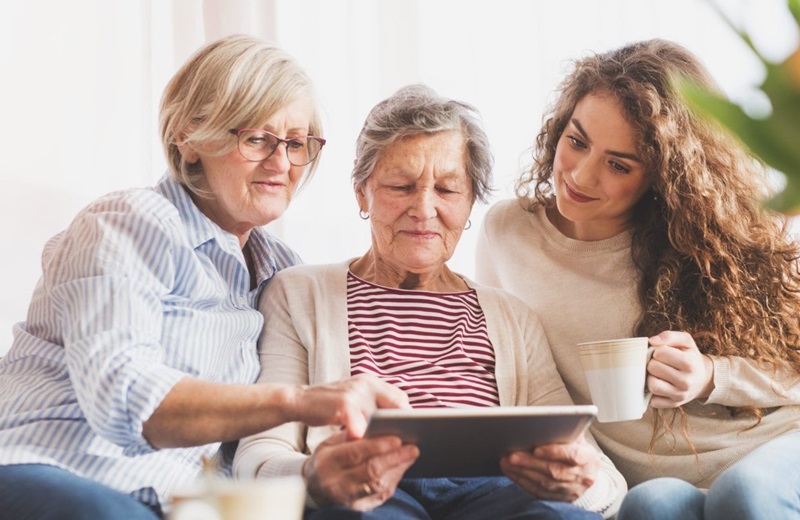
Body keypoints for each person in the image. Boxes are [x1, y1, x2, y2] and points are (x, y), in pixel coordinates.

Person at [0, 34, 408, 520]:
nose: (281, 163)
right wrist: (300, 401)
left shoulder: (282, 271)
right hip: (60, 469)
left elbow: (256, 448)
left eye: (296, 143)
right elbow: (130, 399)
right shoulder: (129, 222)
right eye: (257, 138)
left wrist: (317, 471)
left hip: (183, 502)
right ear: (188, 138)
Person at [234, 84, 627, 520]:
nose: (424, 209)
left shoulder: (511, 316)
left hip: (498, 494)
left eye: (446, 189)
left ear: (471, 201)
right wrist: (314, 476)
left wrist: (581, 483)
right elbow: (257, 455)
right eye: (401, 186)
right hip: (372, 498)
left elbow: (603, 481)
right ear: (361, 191)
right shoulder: (297, 294)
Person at [475, 38, 800, 520]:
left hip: (771, 448)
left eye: (618, 164)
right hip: (654, 479)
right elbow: (507, 369)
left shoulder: (706, 240)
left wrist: (712, 376)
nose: (582, 176)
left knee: (744, 495)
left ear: (663, 175)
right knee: (647, 507)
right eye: (577, 140)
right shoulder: (508, 234)